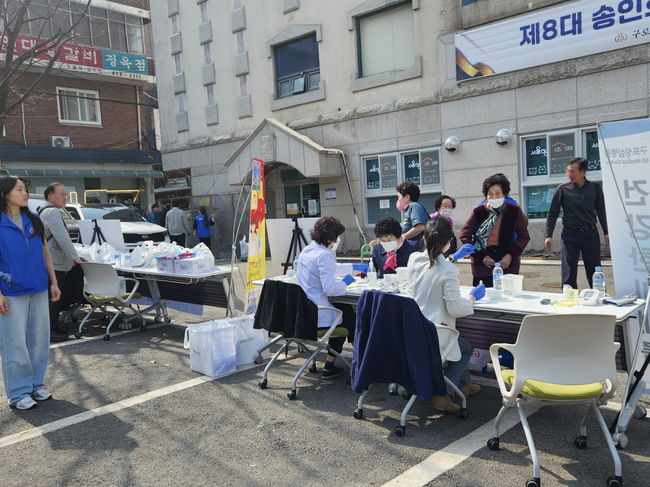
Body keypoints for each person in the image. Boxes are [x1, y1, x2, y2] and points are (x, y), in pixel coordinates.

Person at [407, 217, 485, 414]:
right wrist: (473, 298)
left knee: (460, 346)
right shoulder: (449, 270)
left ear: (424, 239)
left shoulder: (414, 259)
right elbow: (456, 309)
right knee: (465, 349)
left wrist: (452, 258)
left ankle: (464, 386)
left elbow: (433, 265)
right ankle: (443, 395)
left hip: (413, 330)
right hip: (435, 333)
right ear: (449, 241)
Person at [0, 177, 61, 409]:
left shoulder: (34, 220)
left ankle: (35, 385)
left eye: (25, 189)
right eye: (19, 189)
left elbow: (46, 253)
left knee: (39, 341)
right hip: (11, 291)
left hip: (38, 288)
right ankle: (18, 393)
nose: (25, 193)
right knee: (15, 343)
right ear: (5, 194)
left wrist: (54, 282)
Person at [296, 217, 356, 378]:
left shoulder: (308, 250)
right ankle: (359, 361)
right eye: (338, 236)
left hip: (304, 311)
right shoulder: (324, 254)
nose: (338, 240)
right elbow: (330, 289)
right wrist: (345, 283)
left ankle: (330, 364)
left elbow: (329, 268)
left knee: (344, 311)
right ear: (330, 238)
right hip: (317, 313)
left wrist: (352, 267)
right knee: (348, 315)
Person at [544, 157, 609, 289]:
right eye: (568, 171)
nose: (569, 174)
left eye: (572, 171)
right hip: (570, 235)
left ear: (583, 172)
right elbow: (553, 213)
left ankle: (598, 295)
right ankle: (569, 297)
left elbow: (601, 212)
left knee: (594, 269)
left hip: (590, 234)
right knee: (569, 270)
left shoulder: (595, 188)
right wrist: (548, 235)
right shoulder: (562, 189)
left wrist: (606, 233)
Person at [460, 174, 530, 287]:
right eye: (490, 194)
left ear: (504, 194)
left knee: (508, 295)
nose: (494, 197)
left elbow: (524, 236)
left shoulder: (514, 211)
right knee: (484, 295)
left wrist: (511, 255)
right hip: (483, 265)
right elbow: (465, 235)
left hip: (507, 263)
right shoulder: (478, 212)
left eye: (498, 193)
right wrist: (481, 256)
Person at [39, 183, 81, 343]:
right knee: (54, 299)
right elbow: (62, 237)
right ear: (50, 196)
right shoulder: (52, 212)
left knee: (51, 298)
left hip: (51, 261)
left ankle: (51, 328)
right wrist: (75, 257)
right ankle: (50, 331)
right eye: (62, 194)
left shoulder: (44, 210)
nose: (66, 197)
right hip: (54, 263)